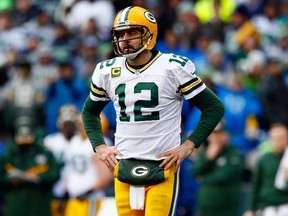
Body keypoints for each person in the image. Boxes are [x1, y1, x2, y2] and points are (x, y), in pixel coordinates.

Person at [81, 6, 225, 216]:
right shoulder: (107, 70)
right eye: (120, 33)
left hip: (162, 166)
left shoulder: (172, 67)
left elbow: (214, 107)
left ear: (149, 34)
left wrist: (188, 146)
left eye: (132, 32)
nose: (125, 39)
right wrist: (100, 147)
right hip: (123, 166)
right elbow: (89, 112)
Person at [0, 125, 60, 216]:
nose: (25, 145)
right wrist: (10, 181)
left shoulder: (44, 153)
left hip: (38, 205)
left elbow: (55, 173)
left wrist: (40, 178)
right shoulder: (9, 155)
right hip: (15, 205)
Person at [63, 114, 113, 216]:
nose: (79, 127)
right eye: (79, 124)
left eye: (83, 124)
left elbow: (106, 176)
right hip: (73, 197)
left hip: (89, 198)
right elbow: (71, 170)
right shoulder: (75, 141)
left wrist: (89, 192)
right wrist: (67, 191)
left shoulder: (100, 144)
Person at [192, 121, 244, 216]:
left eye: (219, 134)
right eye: (213, 134)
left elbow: (224, 176)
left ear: (227, 135)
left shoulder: (234, 153)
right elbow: (194, 171)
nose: (216, 138)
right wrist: (208, 159)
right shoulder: (206, 153)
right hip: (205, 209)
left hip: (227, 210)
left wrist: (203, 178)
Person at [243, 123, 288, 216]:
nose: (278, 140)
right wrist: (250, 209)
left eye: (282, 137)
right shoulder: (265, 159)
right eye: (275, 137)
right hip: (267, 208)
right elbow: (255, 185)